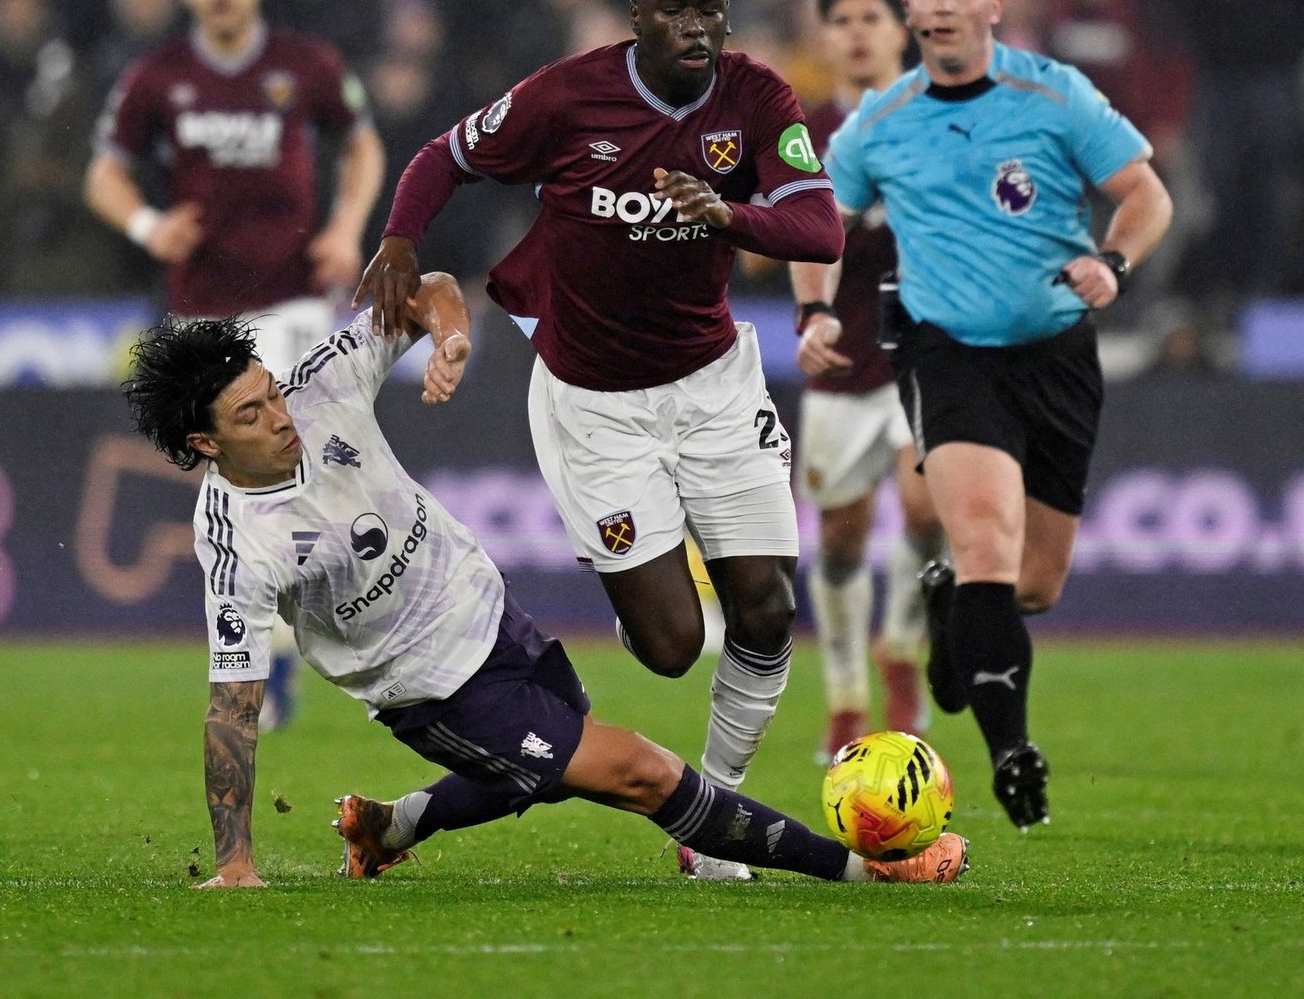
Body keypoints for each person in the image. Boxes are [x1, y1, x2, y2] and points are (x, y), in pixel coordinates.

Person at [119, 277, 968, 890]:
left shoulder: (323, 386)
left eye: (270, 395)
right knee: (637, 770)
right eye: (251, 416)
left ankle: (391, 826)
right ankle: (868, 870)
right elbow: (230, 707)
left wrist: (446, 336)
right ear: (204, 444)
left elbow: (429, 289)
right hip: (433, 689)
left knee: (562, 757)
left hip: (492, 614)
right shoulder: (238, 546)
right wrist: (234, 861)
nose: (280, 417)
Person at [353, 0, 845, 881]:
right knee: (671, 647)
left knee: (769, 606)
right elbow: (441, 156)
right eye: (674, 5)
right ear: (637, 13)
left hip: (713, 382)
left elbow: (820, 227)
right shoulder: (569, 94)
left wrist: (727, 212)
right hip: (593, 399)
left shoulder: (756, 97)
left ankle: (712, 829)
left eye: (709, 5)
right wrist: (401, 243)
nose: (694, 23)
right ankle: (647, 590)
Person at [800, 0, 1174, 830]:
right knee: (985, 546)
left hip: (1055, 356)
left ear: (993, 6)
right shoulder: (879, 123)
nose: (940, 5)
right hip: (945, 352)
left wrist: (1114, 264)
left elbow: (1146, 194)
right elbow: (814, 222)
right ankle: (1012, 751)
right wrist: (814, 311)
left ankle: (942, 608)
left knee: (1034, 586)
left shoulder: (1056, 95)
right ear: (912, 11)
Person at [86, 0, 387, 730]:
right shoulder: (160, 77)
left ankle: (297, 652)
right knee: (235, 498)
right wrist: (149, 228)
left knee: (297, 473)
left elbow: (362, 146)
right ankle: (264, 652)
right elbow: (104, 173)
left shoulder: (306, 65)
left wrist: (346, 227)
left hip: (291, 300)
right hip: (202, 318)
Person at [789, 0, 943, 762]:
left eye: (870, 17)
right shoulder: (805, 134)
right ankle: (847, 701)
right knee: (843, 544)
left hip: (927, 356)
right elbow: (784, 239)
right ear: (826, 38)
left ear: (901, 30)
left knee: (926, 515)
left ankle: (901, 661)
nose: (856, 31)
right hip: (843, 361)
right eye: (841, 19)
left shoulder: (939, 120)